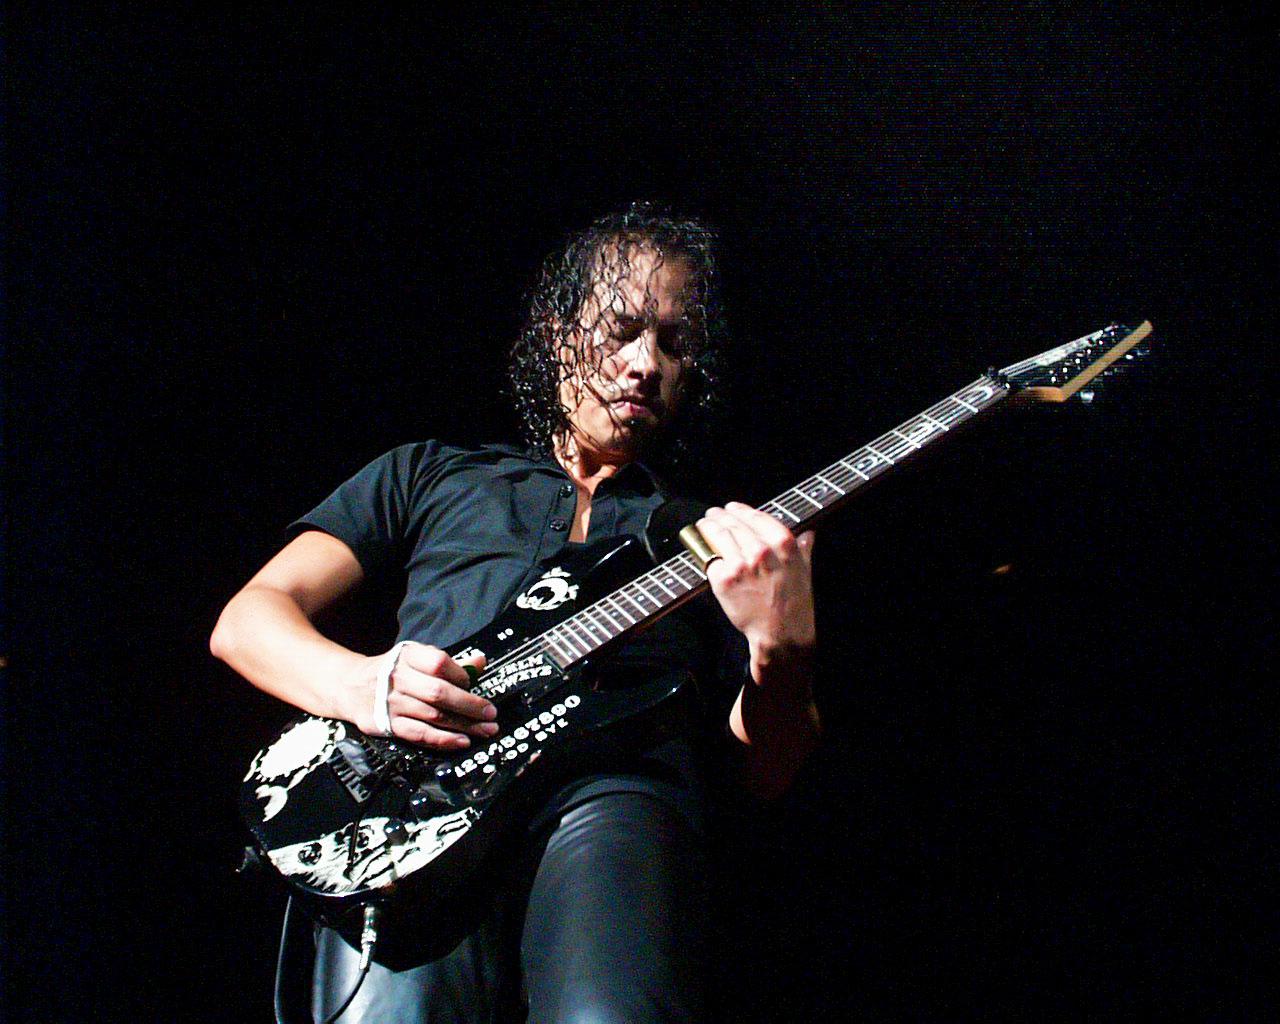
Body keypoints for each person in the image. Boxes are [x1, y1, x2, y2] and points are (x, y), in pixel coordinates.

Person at [211, 204, 822, 1023]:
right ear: (560, 335)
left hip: (615, 797)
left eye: (675, 345)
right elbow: (248, 619)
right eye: (620, 329)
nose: (645, 364)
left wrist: (782, 651)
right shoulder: (431, 472)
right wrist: (363, 685)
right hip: (409, 796)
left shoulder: (714, 536)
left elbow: (766, 773)